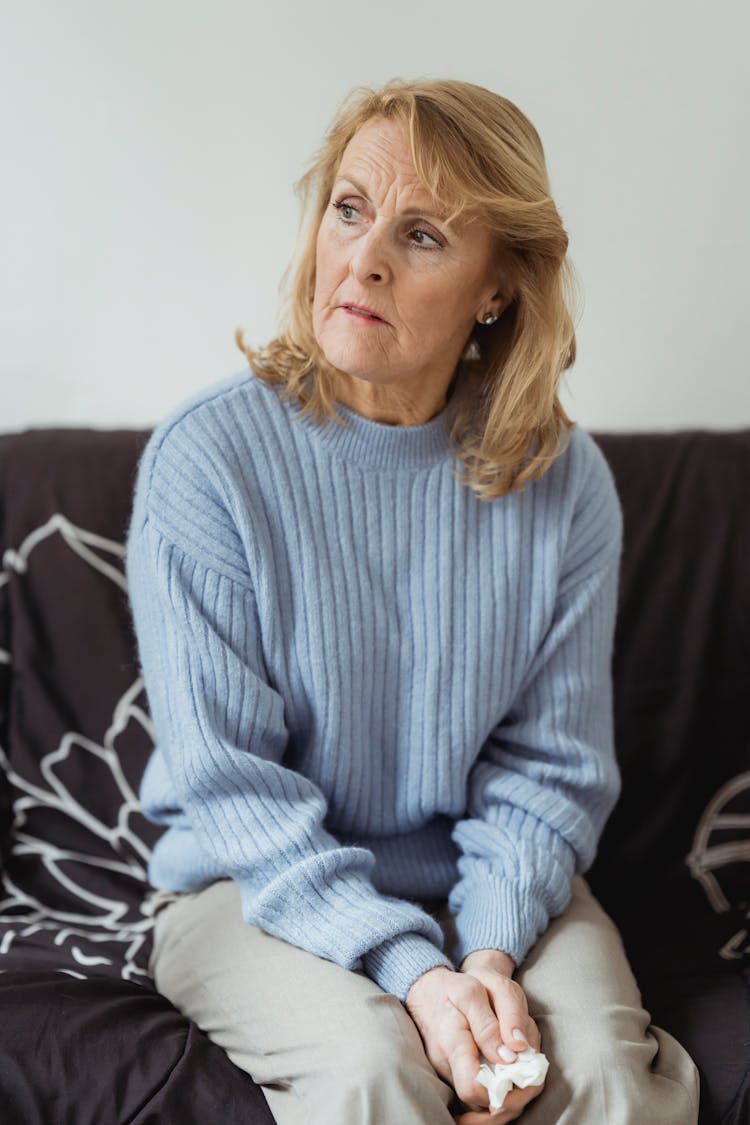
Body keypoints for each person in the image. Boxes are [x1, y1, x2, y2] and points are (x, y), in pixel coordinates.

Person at [124, 77, 700, 1124]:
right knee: (373, 1069)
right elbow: (233, 789)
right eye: (350, 209)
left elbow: (549, 769)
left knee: (607, 1079)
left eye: (423, 233)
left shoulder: (563, 483)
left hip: (487, 881)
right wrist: (412, 975)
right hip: (249, 891)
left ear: (498, 287)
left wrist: (485, 954)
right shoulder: (207, 463)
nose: (364, 259)